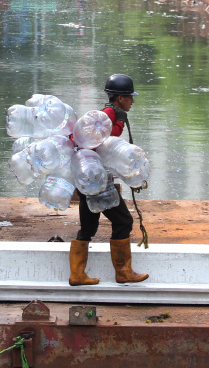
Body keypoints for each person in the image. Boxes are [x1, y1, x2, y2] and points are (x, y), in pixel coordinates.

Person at [69, 73, 149, 287]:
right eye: (130, 97)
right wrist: (119, 122)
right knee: (124, 221)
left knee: (88, 228)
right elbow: (102, 140)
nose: (132, 101)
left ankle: (77, 275)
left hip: (89, 180)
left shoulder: (111, 114)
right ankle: (123, 272)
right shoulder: (108, 114)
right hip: (97, 182)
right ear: (120, 98)